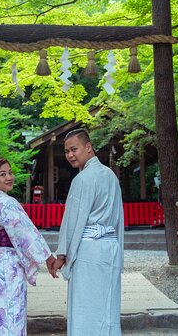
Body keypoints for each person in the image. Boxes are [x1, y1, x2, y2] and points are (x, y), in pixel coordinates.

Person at [0, 157, 57, 336]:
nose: (9, 177)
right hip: (6, 267)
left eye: (10, 172)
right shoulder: (6, 203)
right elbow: (26, 233)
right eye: (3, 174)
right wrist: (47, 257)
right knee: (8, 312)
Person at [52, 129, 124, 335]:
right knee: (108, 305)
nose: (70, 155)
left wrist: (62, 253)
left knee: (85, 307)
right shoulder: (110, 176)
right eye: (66, 151)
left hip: (89, 250)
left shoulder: (82, 179)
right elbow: (119, 217)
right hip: (110, 247)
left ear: (88, 147)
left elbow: (73, 220)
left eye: (73, 149)